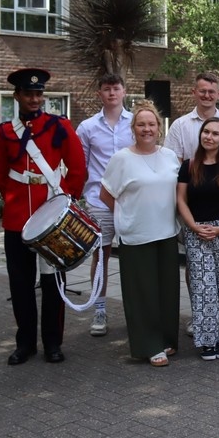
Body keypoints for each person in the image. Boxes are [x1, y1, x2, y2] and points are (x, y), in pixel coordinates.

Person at [0, 68, 87, 365]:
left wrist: (66, 202)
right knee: (20, 285)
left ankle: (52, 342)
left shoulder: (59, 126)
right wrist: (14, 200)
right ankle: (25, 344)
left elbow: (77, 167)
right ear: (17, 96)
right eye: (28, 94)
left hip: (52, 217)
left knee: (53, 283)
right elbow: (1, 175)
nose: (34, 99)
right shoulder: (4, 132)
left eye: (38, 94)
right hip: (17, 217)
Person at [100, 100, 182, 367]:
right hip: (136, 236)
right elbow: (106, 194)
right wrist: (128, 214)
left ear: (159, 127)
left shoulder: (169, 156)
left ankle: (166, 339)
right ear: (133, 128)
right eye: (141, 124)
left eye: (151, 124)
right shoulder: (122, 159)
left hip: (166, 233)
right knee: (142, 294)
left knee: (167, 292)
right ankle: (148, 345)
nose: (147, 129)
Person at [176, 118, 219, 360]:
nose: (209, 137)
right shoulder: (188, 166)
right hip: (197, 233)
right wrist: (193, 226)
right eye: (206, 132)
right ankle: (207, 340)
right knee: (203, 287)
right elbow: (181, 199)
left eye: (215, 133)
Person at [75, 73, 133, 337]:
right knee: (101, 256)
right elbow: (81, 166)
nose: (112, 93)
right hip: (99, 201)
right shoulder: (87, 127)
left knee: (134, 256)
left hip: (131, 200)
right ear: (99, 94)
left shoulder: (136, 122)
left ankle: (136, 310)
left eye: (116, 88)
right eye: (107, 89)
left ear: (124, 92)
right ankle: (100, 310)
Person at [164, 73, 219, 161]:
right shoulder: (179, 126)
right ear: (194, 92)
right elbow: (172, 162)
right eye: (202, 91)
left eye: (211, 92)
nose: (206, 95)